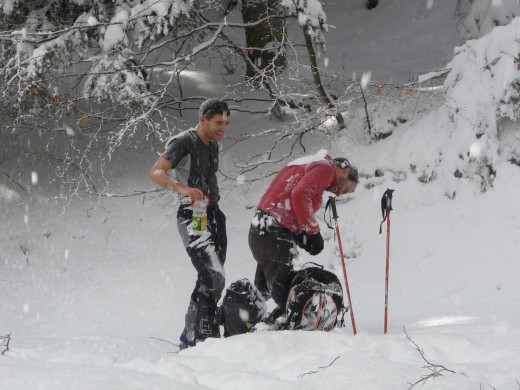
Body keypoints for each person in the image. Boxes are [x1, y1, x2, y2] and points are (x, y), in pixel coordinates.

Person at [150, 98, 230, 349]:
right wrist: (182, 189)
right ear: (202, 119)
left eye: (226, 123)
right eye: (218, 123)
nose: (223, 129)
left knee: (210, 278)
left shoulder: (214, 144)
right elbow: (156, 173)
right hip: (192, 214)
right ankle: (205, 334)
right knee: (212, 275)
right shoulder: (183, 141)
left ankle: (191, 337)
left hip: (214, 214)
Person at [248, 151, 358, 321]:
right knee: (286, 293)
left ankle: (252, 323)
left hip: (264, 228)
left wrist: (300, 234)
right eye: (346, 190)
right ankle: (289, 332)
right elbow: (299, 194)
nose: (338, 194)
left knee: (266, 291)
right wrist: (313, 231)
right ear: (347, 171)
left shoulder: (311, 166)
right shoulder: (325, 168)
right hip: (273, 229)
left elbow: (289, 197)